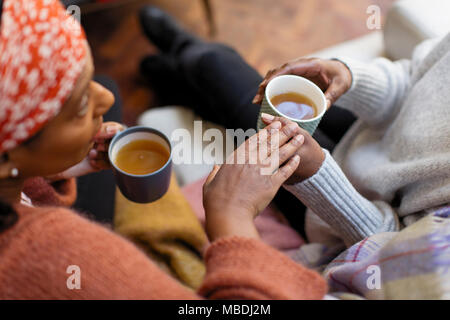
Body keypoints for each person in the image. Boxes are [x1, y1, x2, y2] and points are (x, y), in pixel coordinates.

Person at [0, 0, 326, 299]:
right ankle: (175, 65)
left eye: (88, 80)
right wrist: (232, 218)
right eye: (81, 102)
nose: (106, 99)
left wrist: (56, 170)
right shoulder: (62, 256)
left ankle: (168, 71)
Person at [138, 6, 450, 248]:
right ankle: (179, 72)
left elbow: (388, 251)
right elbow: (413, 80)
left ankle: (179, 64)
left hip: (334, 206)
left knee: (216, 68)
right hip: (368, 130)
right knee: (220, 77)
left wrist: (316, 176)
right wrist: (350, 77)